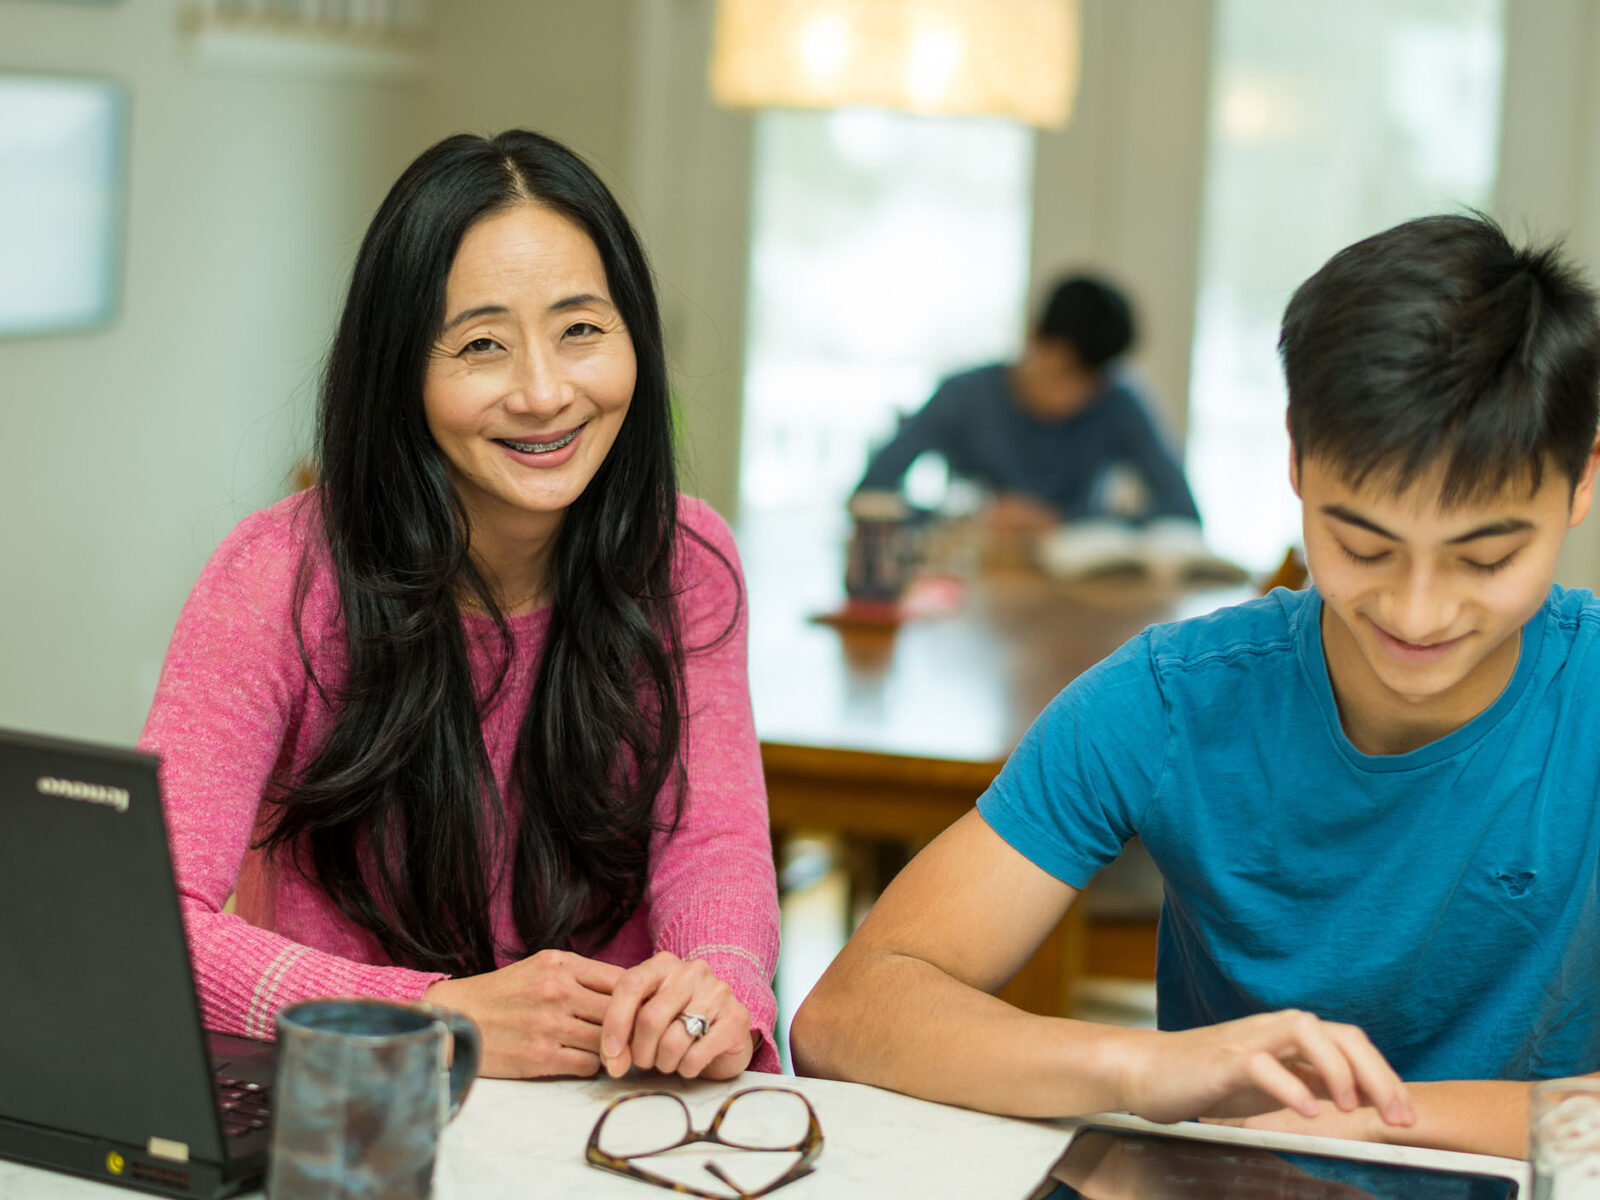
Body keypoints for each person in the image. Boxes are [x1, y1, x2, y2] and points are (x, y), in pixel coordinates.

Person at [791, 213, 1600, 1159]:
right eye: (1363, 545)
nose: (1418, 614)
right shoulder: (1176, 698)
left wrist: (1336, 1119)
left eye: (1485, 558)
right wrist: (1141, 1069)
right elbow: (848, 1013)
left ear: (1582, 479)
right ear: (1295, 458)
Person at [140, 129, 780, 1080]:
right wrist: (432, 1017)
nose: (544, 391)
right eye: (482, 344)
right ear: (401, 373)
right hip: (371, 1114)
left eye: (581, 329)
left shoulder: (682, 557)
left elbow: (713, 842)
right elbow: (156, 922)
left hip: (618, 1116)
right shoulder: (277, 579)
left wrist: (715, 983)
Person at [853, 274, 1200, 534]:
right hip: (976, 591)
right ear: (1034, 335)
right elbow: (869, 495)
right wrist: (970, 518)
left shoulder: (1119, 402)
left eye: (1091, 384)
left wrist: (1060, 521)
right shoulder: (964, 394)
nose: (1073, 398)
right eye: (1063, 374)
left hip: (1080, 599)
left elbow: (1182, 511)